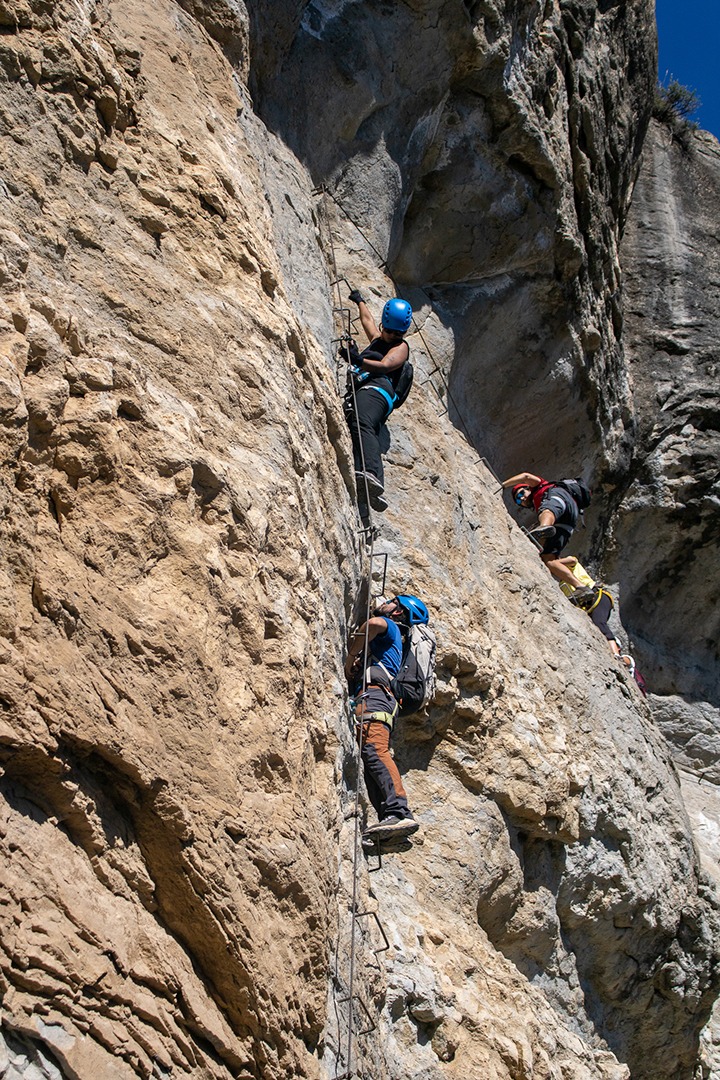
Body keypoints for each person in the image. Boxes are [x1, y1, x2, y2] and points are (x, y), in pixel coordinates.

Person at [345, 596, 420, 840]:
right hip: (376, 697)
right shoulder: (390, 644)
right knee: (369, 759)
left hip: (376, 697)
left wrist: (350, 658)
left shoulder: (391, 627)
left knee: (375, 750)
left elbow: (373, 624)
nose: (385, 602)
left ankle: (399, 812)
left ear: (398, 612)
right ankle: (389, 823)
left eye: (392, 601)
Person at [342, 291, 413, 515]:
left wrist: (358, 360)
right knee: (357, 425)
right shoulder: (377, 339)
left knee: (362, 422)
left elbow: (384, 366)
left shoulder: (401, 348)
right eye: (389, 330)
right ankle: (369, 485)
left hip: (378, 389)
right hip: (366, 390)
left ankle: (371, 474)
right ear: (384, 325)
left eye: (397, 333)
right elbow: (367, 321)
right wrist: (360, 301)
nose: (392, 336)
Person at [558, 557, 648, 696]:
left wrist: (550, 560)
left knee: (600, 624)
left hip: (597, 596)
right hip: (589, 603)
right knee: (597, 625)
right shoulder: (563, 580)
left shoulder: (569, 565)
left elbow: (573, 560)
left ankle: (615, 655)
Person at [502, 471, 589, 592]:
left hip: (560, 497)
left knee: (547, 510)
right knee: (548, 559)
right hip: (568, 519)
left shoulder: (539, 486)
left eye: (521, 493)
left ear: (528, 488)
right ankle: (581, 587)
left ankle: (544, 527)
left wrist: (502, 485)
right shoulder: (539, 503)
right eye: (518, 500)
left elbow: (525, 476)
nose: (521, 498)